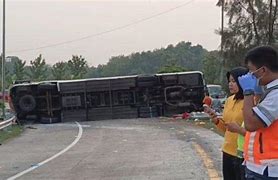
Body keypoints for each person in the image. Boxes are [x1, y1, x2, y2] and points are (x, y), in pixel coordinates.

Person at [238, 45, 278, 179]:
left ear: (263, 70)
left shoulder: (276, 95)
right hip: (260, 167)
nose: (249, 75)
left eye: (251, 71)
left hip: (270, 169)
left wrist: (248, 92)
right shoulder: (269, 91)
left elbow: (251, 124)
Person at [204, 67, 248, 180]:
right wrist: (216, 120)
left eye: (234, 81)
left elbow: (254, 132)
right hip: (227, 151)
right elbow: (227, 129)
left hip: (242, 154)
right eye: (229, 81)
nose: (230, 84)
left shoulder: (250, 101)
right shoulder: (229, 100)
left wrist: (238, 129)